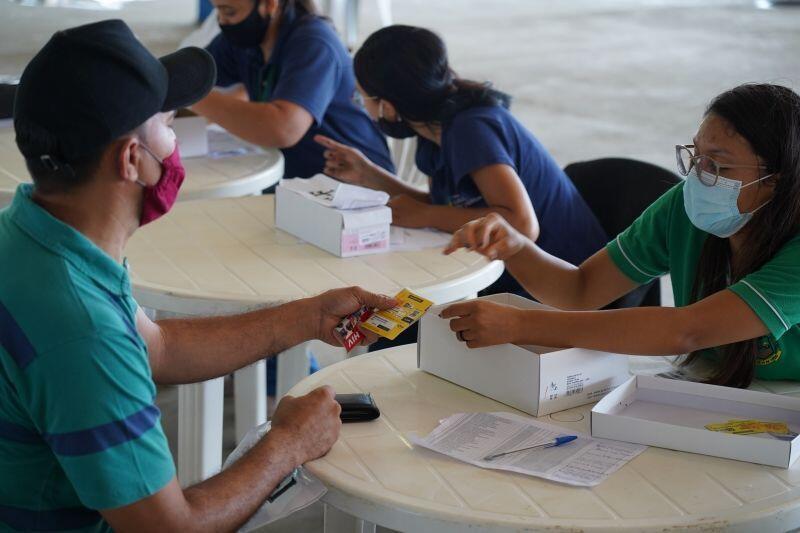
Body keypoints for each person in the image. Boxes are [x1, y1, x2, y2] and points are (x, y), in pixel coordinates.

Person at [0, 20, 395, 531]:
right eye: (169, 123)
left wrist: (307, 316)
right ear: (131, 159)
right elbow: (171, 527)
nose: (174, 141)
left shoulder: (35, 234)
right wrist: (287, 444)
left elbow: (155, 348)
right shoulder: (79, 325)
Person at [441, 83, 800, 389]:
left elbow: (688, 331)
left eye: (718, 165)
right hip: (716, 385)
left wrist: (519, 324)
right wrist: (516, 247)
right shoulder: (685, 208)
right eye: (695, 156)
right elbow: (580, 290)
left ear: (776, 179)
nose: (698, 176)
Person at [316, 25, 607, 298]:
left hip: (561, 283)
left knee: (399, 322)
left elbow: (521, 224)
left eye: (362, 97)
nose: (362, 105)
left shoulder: (471, 129)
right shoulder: (433, 129)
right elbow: (449, 206)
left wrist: (424, 215)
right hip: (511, 270)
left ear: (388, 106)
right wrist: (369, 174)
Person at [191, 0, 394, 181]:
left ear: (270, 4)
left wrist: (192, 95)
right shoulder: (245, 39)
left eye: (230, 12)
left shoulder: (314, 43)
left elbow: (283, 129)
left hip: (355, 191)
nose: (222, 21)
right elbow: (192, 72)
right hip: (296, 181)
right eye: (218, 11)